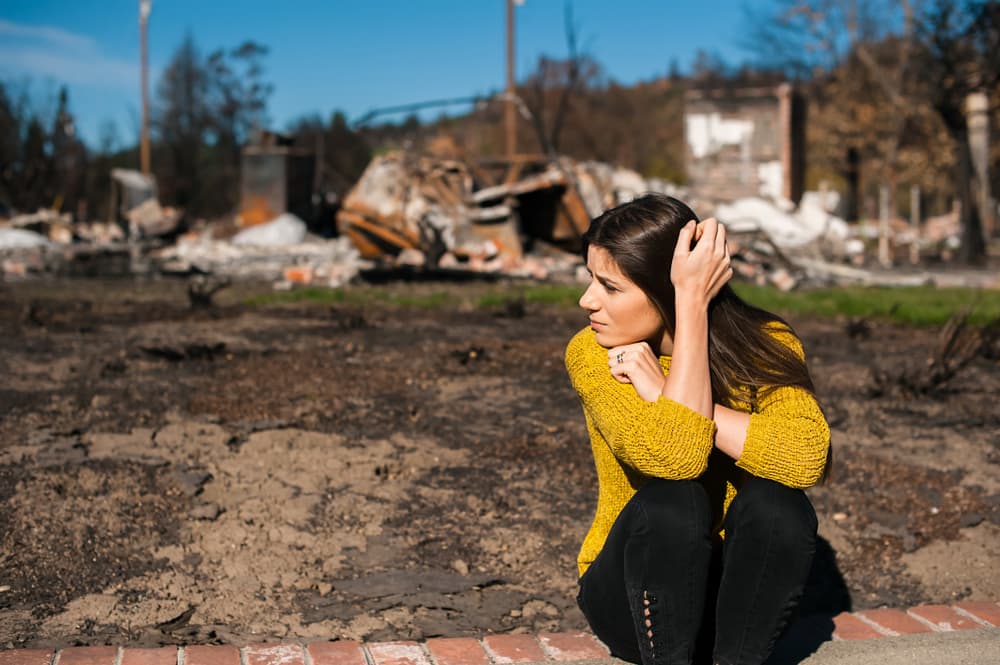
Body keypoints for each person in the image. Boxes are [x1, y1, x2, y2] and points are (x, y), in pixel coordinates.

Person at [565, 194, 830, 665]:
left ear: (666, 289)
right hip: (633, 596)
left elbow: (807, 456)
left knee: (779, 504)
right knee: (674, 499)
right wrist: (688, 309)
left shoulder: (766, 343)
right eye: (591, 279)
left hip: (735, 605)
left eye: (609, 286)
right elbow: (676, 459)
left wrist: (667, 382)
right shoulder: (595, 354)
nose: (587, 300)